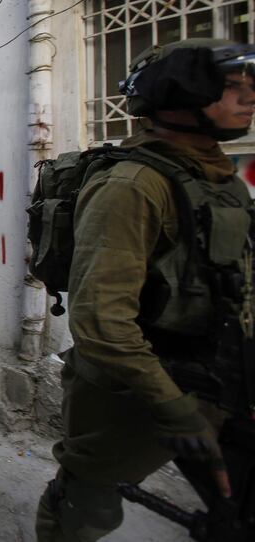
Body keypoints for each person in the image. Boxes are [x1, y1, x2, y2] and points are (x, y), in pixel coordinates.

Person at [35, 39, 255, 541]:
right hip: (134, 388)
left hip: (216, 377)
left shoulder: (222, 182)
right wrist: (173, 405)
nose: (248, 98)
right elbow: (100, 322)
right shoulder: (132, 185)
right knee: (81, 507)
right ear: (179, 92)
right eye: (233, 87)